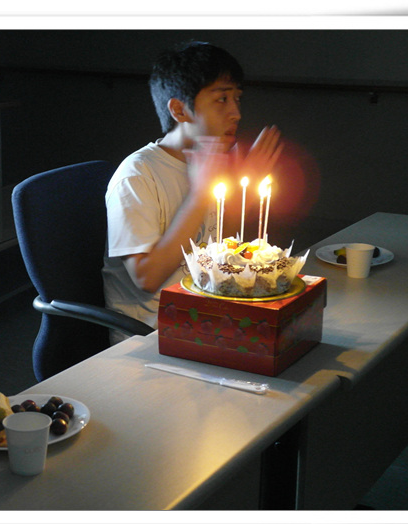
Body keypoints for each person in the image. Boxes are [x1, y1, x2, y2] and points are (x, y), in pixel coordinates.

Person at [102, 41, 283, 343]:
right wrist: (200, 194)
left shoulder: (211, 161)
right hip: (153, 337)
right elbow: (146, 277)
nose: (236, 113)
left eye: (237, 99)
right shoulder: (137, 175)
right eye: (222, 99)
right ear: (179, 109)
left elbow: (213, 238)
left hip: (208, 318)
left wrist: (246, 191)